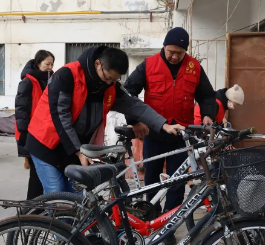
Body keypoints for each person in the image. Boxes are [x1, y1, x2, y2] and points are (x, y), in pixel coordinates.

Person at [25, 46, 184, 193]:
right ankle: (45, 215)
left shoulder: (109, 85)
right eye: (108, 77)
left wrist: (164, 125)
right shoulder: (67, 75)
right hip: (47, 144)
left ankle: (60, 216)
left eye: (114, 80)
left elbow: (135, 105)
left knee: (76, 197)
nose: (110, 83)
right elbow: (61, 117)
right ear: (97, 64)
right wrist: (78, 150)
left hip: (74, 147)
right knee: (58, 193)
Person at [124, 27, 217, 245]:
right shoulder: (149, 65)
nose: (174, 56)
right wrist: (135, 121)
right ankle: (152, 219)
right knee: (152, 179)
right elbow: (128, 91)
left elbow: (207, 95)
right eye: (171, 51)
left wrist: (207, 115)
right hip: (154, 132)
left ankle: (169, 227)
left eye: (179, 53)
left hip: (181, 134)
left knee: (177, 183)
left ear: (186, 51)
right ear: (164, 47)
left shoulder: (194, 68)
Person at [15, 50, 54, 199]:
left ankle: (36, 204)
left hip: (45, 132)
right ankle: (33, 206)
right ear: (38, 63)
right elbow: (21, 109)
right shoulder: (28, 82)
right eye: (47, 64)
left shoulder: (51, 80)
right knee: (36, 173)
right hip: (31, 133)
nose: (50, 67)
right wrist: (24, 132)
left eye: (52, 64)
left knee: (41, 173)